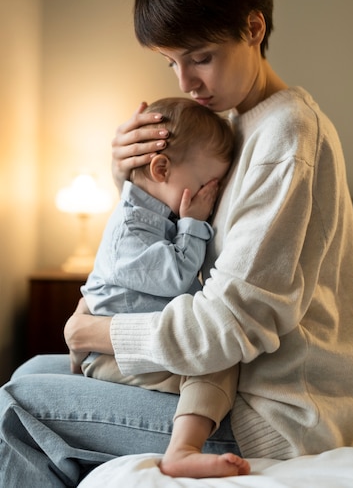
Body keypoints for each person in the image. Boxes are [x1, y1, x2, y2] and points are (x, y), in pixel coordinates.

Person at [0, 0, 353, 487]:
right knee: (31, 371)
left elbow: (228, 325)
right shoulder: (235, 127)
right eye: (171, 63)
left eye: (201, 57)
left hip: (269, 413)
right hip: (227, 383)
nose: (187, 82)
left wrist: (97, 332)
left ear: (254, 27)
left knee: (18, 401)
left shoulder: (287, 138)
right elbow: (188, 241)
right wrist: (129, 174)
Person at [76, 96, 248, 477]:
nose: (210, 197)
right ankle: (182, 450)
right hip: (113, 354)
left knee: (213, 358)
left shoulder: (153, 216)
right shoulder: (129, 229)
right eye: (204, 185)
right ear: (160, 168)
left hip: (133, 346)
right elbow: (174, 278)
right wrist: (193, 224)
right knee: (211, 362)